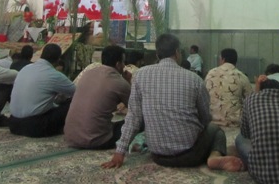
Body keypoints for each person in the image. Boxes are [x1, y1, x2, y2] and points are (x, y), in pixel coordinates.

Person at [102, 33, 243, 172]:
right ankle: (214, 156)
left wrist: (120, 151)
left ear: (157, 54)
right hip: (191, 156)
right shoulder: (194, 79)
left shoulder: (140, 76)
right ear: (177, 52)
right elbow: (205, 118)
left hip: (158, 155)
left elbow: (133, 117)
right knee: (215, 130)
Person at [64, 45, 131, 149]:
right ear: (118, 64)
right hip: (97, 141)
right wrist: (128, 81)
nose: (124, 66)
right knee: (137, 122)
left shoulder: (87, 73)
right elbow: (135, 107)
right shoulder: (119, 82)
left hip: (70, 137)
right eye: (123, 62)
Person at [9, 44, 75, 137]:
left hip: (13, 123)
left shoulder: (25, 68)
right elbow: (78, 92)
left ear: (42, 55)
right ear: (58, 59)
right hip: (34, 127)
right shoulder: (54, 74)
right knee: (74, 102)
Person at [204, 48, 253, 127]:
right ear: (235, 61)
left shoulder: (210, 73)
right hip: (233, 123)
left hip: (211, 122)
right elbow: (251, 101)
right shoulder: (241, 76)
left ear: (223, 59)